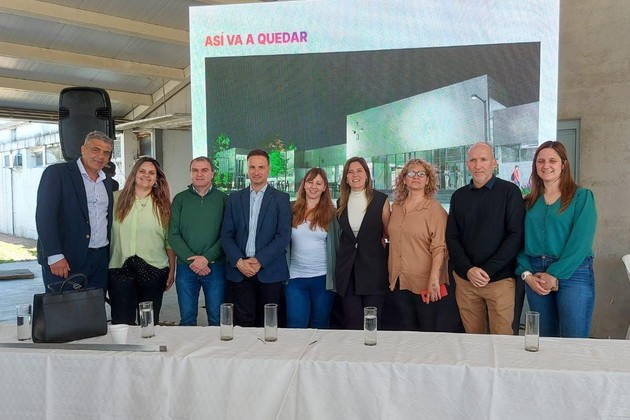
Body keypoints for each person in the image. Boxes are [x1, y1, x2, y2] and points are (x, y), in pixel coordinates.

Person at [516, 141, 597, 338]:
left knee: (573, 338)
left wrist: (554, 273)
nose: (546, 165)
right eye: (540, 161)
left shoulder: (581, 197)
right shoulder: (528, 202)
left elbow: (581, 242)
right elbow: (519, 241)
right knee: (544, 339)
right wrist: (526, 274)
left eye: (552, 160)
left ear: (563, 164)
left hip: (573, 273)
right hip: (536, 273)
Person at [446, 143, 525, 335]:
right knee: (473, 339)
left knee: (502, 338)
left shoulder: (510, 192)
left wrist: (487, 270)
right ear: (467, 164)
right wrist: (468, 269)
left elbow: (515, 236)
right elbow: (452, 237)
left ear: (494, 163)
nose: (478, 165)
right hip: (466, 281)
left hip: (499, 280)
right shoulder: (458, 196)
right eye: (473, 160)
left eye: (483, 159)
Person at [35, 131, 114, 292]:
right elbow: (45, 216)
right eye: (96, 150)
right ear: (83, 149)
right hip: (65, 259)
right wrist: (54, 255)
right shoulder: (57, 173)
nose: (101, 156)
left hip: (100, 259)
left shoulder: (106, 181)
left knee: (95, 305)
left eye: (106, 153)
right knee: (65, 307)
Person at [220, 149, 292, 327]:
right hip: (240, 272)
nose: (256, 171)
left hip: (270, 271)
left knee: (269, 324)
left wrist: (259, 260)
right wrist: (239, 261)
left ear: (268, 169)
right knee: (243, 324)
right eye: (252, 167)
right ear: (247, 169)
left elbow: (283, 236)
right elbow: (226, 235)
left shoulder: (281, 199)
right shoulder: (234, 198)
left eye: (261, 167)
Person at [108, 157, 175, 325]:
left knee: (149, 323)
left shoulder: (164, 205)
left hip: (154, 268)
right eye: (142, 171)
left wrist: (172, 270)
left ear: (157, 179)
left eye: (152, 173)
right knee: (121, 322)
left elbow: (169, 241)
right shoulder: (115, 199)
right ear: (134, 174)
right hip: (119, 267)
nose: (146, 175)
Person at [388, 159, 448, 331]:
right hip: (399, 280)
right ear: (404, 179)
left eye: (421, 174)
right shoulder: (396, 206)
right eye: (411, 173)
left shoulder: (434, 209)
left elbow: (439, 247)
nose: (416, 177)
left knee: (427, 333)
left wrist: (434, 279)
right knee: (407, 331)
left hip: (426, 283)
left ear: (428, 180)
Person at [169, 157, 228, 326]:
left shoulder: (224, 199)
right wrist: (193, 260)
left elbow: (227, 235)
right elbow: (173, 234)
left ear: (212, 173)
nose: (199, 174)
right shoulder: (180, 199)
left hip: (215, 266)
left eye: (204, 170)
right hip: (186, 267)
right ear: (190, 173)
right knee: (187, 318)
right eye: (195, 170)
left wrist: (206, 258)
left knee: (217, 319)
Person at [335, 157, 390, 329]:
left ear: (367, 174)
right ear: (345, 178)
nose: (355, 175)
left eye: (359, 171)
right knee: (352, 323)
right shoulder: (341, 202)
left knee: (372, 324)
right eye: (350, 172)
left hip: (373, 271)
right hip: (348, 272)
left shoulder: (381, 200)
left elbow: (388, 232)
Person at [285, 168, 337, 328]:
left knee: (320, 325)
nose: (314, 186)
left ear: (324, 187)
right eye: (310, 182)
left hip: (322, 279)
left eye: (318, 183)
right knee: (296, 324)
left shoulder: (332, 214)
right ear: (304, 184)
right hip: (295, 277)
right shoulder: (291, 209)